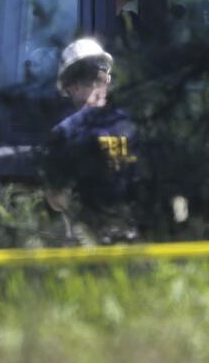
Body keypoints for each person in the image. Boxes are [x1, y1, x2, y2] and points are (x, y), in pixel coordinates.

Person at [44, 38, 140, 240]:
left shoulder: (64, 133)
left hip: (88, 243)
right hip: (131, 238)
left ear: (71, 86)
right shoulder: (133, 127)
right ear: (107, 80)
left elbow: (57, 201)